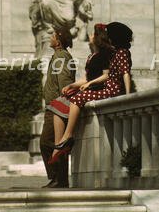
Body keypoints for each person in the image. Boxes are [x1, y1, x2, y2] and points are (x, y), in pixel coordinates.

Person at [51, 21, 133, 162]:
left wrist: (128, 95)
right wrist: (75, 85)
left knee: (77, 99)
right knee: (66, 101)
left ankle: (68, 135)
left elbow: (125, 73)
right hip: (109, 88)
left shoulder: (120, 53)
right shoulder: (115, 53)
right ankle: (63, 138)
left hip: (111, 89)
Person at [40, 27, 76, 188]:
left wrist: (60, 106)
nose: (50, 37)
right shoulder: (58, 56)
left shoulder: (61, 57)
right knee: (53, 143)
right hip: (54, 106)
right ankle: (59, 179)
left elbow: (65, 84)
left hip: (57, 107)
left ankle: (58, 178)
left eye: (52, 35)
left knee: (47, 142)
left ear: (58, 41)